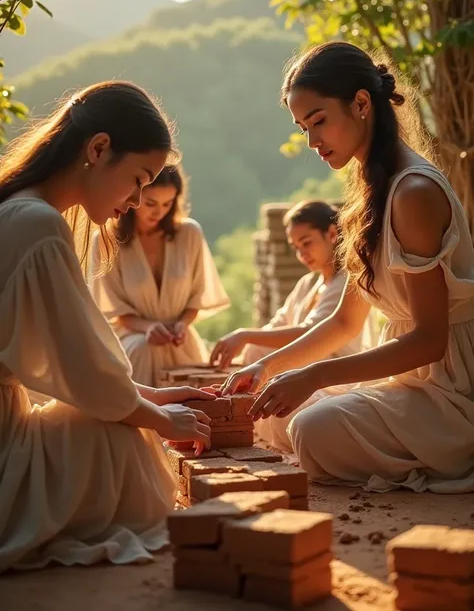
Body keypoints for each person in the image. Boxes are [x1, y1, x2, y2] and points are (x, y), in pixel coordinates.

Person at [223, 41, 474, 493]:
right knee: (278, 417)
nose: (313, 141)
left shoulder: (413, 192)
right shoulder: (372, 193)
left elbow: (430, 341)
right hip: (408, 382)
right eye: (303, 128)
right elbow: (344, 323)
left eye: (318, 121)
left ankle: (453, 454)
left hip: (452, 388)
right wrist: (268, 369)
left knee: (311, 429)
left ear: (361, 103)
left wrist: (315, 375)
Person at [0, 81, 218, 573]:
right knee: (123, 441)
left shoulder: (22, 210)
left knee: (118, 422)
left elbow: (82, 369)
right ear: (98, 149)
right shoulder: (36, 223)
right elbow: (88, 378)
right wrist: (161, 420)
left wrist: (154, 398)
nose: (138, 199)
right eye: (138, 179)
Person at [211, 198, 376, 452]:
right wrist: (248, 344)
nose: (301, 254)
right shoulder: (308, 284)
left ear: (332, 234)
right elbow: (276, 326)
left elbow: (309, 332)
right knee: (255, 352)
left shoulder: (347, 282)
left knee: (290, 415)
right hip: (299, 374)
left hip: (335, 377)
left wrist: (244, 334)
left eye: (307, 243)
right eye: (296, 247)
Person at [89, 165, 229, 385]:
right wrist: (148, 328)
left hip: (179, 340)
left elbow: (197, 296)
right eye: (151, 203)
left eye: (167, 203)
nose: (159, 212)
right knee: (144, 348)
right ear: (133, 197)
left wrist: (183, 324)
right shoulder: (107, 240)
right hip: (132, 338)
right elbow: (112, 308)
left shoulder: (189, 234)